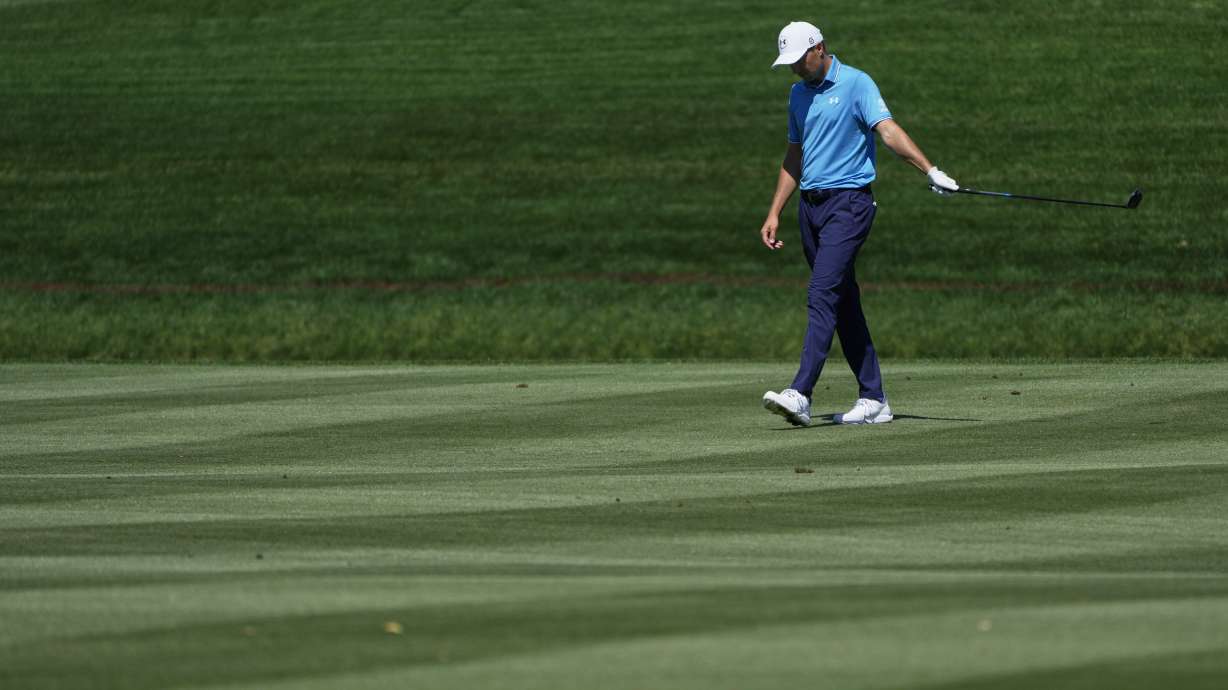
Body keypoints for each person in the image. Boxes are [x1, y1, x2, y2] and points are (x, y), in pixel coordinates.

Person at [759, 21, 957, 427]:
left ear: (820, 48)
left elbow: (888, 131)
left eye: (800, 60)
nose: (796, 69)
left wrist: (930, 170)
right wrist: (775, 210)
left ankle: (801, 393)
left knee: (821, 294)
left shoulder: (857, 83)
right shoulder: (797, 95)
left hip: (849, 205)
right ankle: (874, 398)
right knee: (843, 302)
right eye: (790, 63)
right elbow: (794, 156)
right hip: (810, 210)